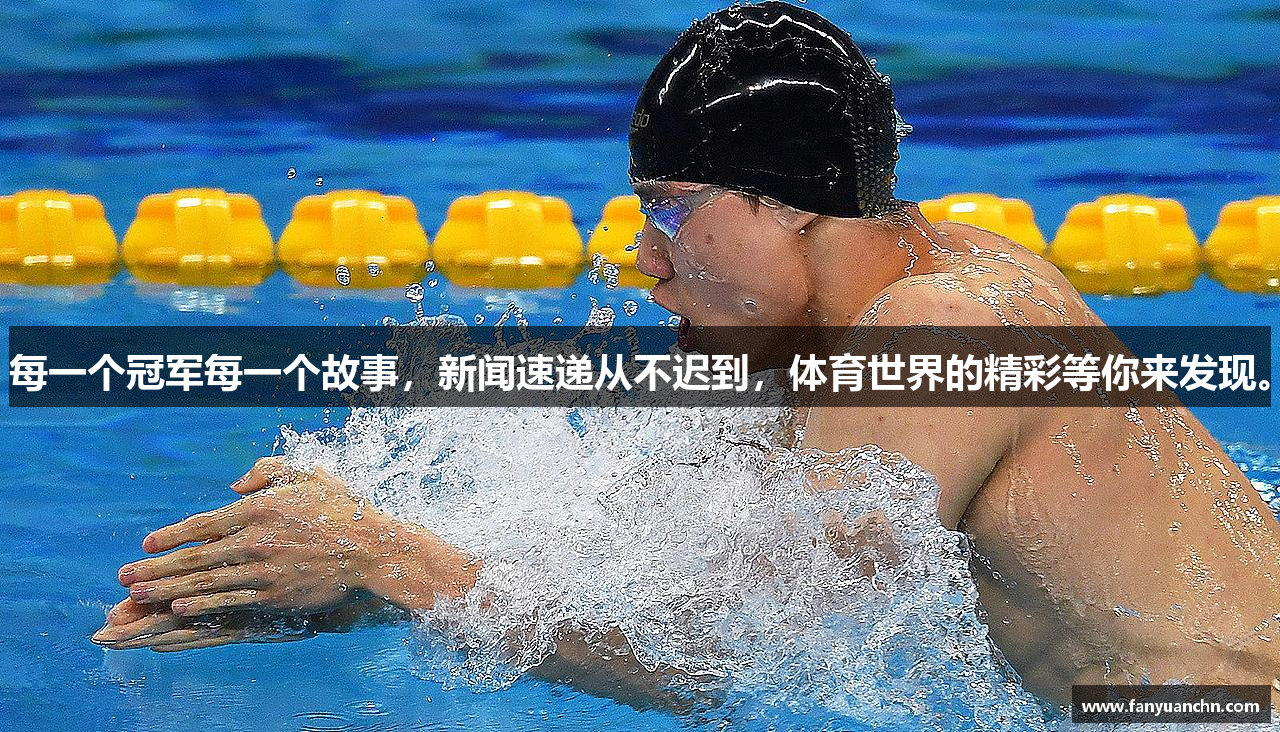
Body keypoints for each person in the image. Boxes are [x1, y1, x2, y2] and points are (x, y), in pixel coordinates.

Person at [93, 0, 1280, 706]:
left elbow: (734, 660)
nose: (642, 260)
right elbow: (677, 569)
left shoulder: (939, 332)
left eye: (666, 210)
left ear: (790, 205)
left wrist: (394, 565)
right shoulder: (873, 296)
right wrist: (359, 582)